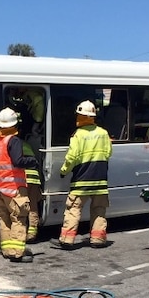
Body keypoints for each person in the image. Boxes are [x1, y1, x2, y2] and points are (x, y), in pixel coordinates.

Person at [52, 100, 112, 249]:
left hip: (81, 180)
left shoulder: (78, 135)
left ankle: (67, 240)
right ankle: (97, 240)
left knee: (73, 209)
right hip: (100, 181)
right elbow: (109, 153)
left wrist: (63, 171)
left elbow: (71, 157)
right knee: (99, 210)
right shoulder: (103, 133)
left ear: (81, 116)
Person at [0, 107, 38, 263]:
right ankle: (16, 253)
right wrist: (33, 161)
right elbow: (18, 161)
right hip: (14, 189)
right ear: (14, 125)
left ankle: (7, 250)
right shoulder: (13, 141)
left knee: (4, 220)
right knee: (19, 219)